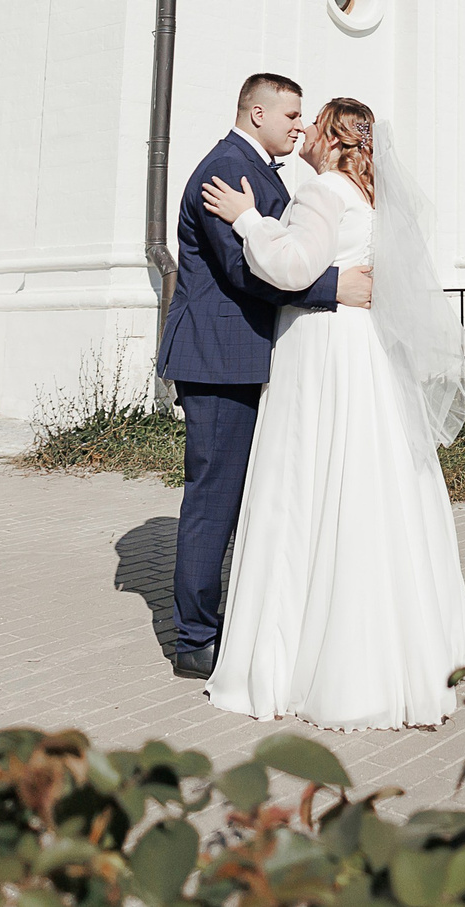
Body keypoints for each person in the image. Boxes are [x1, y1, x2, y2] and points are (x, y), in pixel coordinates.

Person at [197, 96, 465, 729]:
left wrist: (247, 220)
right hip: (365, 351)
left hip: (323, 349)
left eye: (314, 120)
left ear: (331, 137)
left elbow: (292, 266)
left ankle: (302, 654)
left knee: (307, 479)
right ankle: (406, 649)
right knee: (367, 481)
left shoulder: (323, 190)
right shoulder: (370, 197)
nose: (303, 129)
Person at [157, 73, 372, 681]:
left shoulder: (261, 172)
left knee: (241, 497)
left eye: (305, 118)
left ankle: (233, 619)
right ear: (257, 113)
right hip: (220, 361)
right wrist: (334, 288)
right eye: (291, 115)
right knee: (214, 498)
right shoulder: (228, 169)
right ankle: (195, 639)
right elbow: (245, 271)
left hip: (244, 357)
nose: (300, 127)